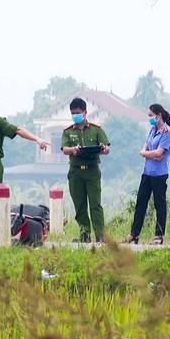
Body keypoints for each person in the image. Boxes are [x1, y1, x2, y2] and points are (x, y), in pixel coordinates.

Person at [61, 98, 111, 243]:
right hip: (76, 172)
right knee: (80, 205)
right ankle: (85, 235)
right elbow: (64, 149)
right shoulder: (68, 131)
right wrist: (73, 150)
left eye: (78, 112)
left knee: (95, 204)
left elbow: (107, 149)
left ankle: (100, 235)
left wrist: (103, 148)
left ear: (85, 112)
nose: (75, 115)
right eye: (73, 113)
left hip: (92, 172)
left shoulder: (96, 129)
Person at [123, 103, 170, 245]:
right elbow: (146, 148)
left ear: (159, 116)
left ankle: (159, 235)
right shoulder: (152, 131)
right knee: (141, 203)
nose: (149, 118)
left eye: (151, 116)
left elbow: (159, 153)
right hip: (147, 172)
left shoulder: (167, 132)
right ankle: (134, 233)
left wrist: (147, 153)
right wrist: (148, 154)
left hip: (159, 173)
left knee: (160, 204)